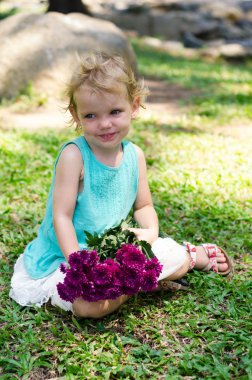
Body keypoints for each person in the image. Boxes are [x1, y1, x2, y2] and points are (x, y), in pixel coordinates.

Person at [9, 52, 233, 318]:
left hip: (114, 251)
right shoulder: (75, 156)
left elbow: (144, 205)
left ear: (134, 106)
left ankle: (188, 256)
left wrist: (149, 233)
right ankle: (142, 284)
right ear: (76, 114)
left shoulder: (134, 155)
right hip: (67, 256)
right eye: (91, 115)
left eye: (115, 112)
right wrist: (77, 265)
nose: (104, 124)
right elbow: (62, 216)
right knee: (87, 307)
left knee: (174, 257)